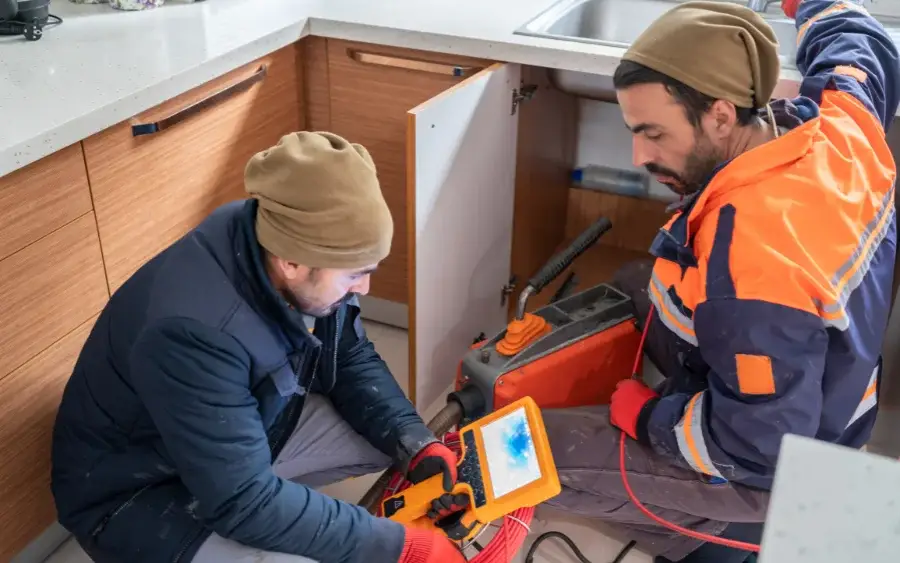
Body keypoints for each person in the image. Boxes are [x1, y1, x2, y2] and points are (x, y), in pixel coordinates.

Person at [540, 1, 899, 562]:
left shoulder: (753, 262)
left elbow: (759, 441)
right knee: (638, 284)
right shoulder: (837, 128)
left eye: (653, 134)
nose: (639, 155)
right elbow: (859, 45)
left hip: (781, 459)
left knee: (542, 453)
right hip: (834, 393)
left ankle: (726, 536)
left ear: (722, 116)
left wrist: (648, 417)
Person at [50, 131, 467, 563]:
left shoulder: (283, 239)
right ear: (292, 263)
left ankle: (266, 498)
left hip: (222, 443)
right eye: (354, 275)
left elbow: (348, 358)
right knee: (276, 530)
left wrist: (416, 444)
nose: (365, 287)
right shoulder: (192, 331)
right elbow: (242, 501)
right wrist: (399, 548)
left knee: (384, 441)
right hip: (135, 495)